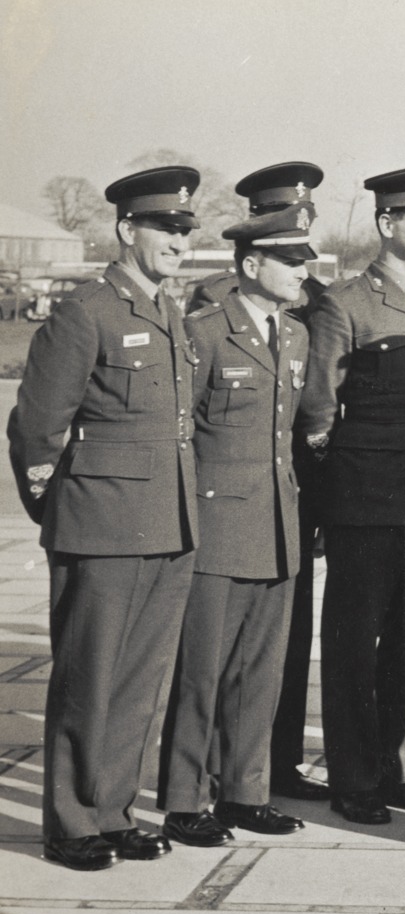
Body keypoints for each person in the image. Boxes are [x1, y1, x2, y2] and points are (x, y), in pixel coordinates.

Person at [8, 166, 202, 871]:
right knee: (88, 679)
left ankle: (114, 811)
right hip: (101, 526)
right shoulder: (85, 311)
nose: (180, 239)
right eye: (167, 228)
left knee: (138, 681)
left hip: (169, 523)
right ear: (128, 230)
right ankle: (69, 821)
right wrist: (61, 511)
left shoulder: (170, 313)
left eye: (186, 229)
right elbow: (34, 429)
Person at [299, 164, 405, 825]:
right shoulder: (346, 303)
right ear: (388, 224)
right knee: (351, 643)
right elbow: (317, 411)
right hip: (366, 499)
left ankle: (397, 768)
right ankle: (355, 777)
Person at [158, 201, 316, 846]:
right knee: (202, 670)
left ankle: (244, 792)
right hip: (219, 525)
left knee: (261, 670)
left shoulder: (296, 334)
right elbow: (179, 432)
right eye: (288, 260)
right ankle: (184, 798)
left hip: (277, 522)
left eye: (304, 260)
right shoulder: (203, 331)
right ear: (251, 265)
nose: (301, 271)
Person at [185, 163, 327, 316]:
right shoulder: (218, 293)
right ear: (253, 220)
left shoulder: (316, 294)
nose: (294, 224)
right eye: (281, 217)